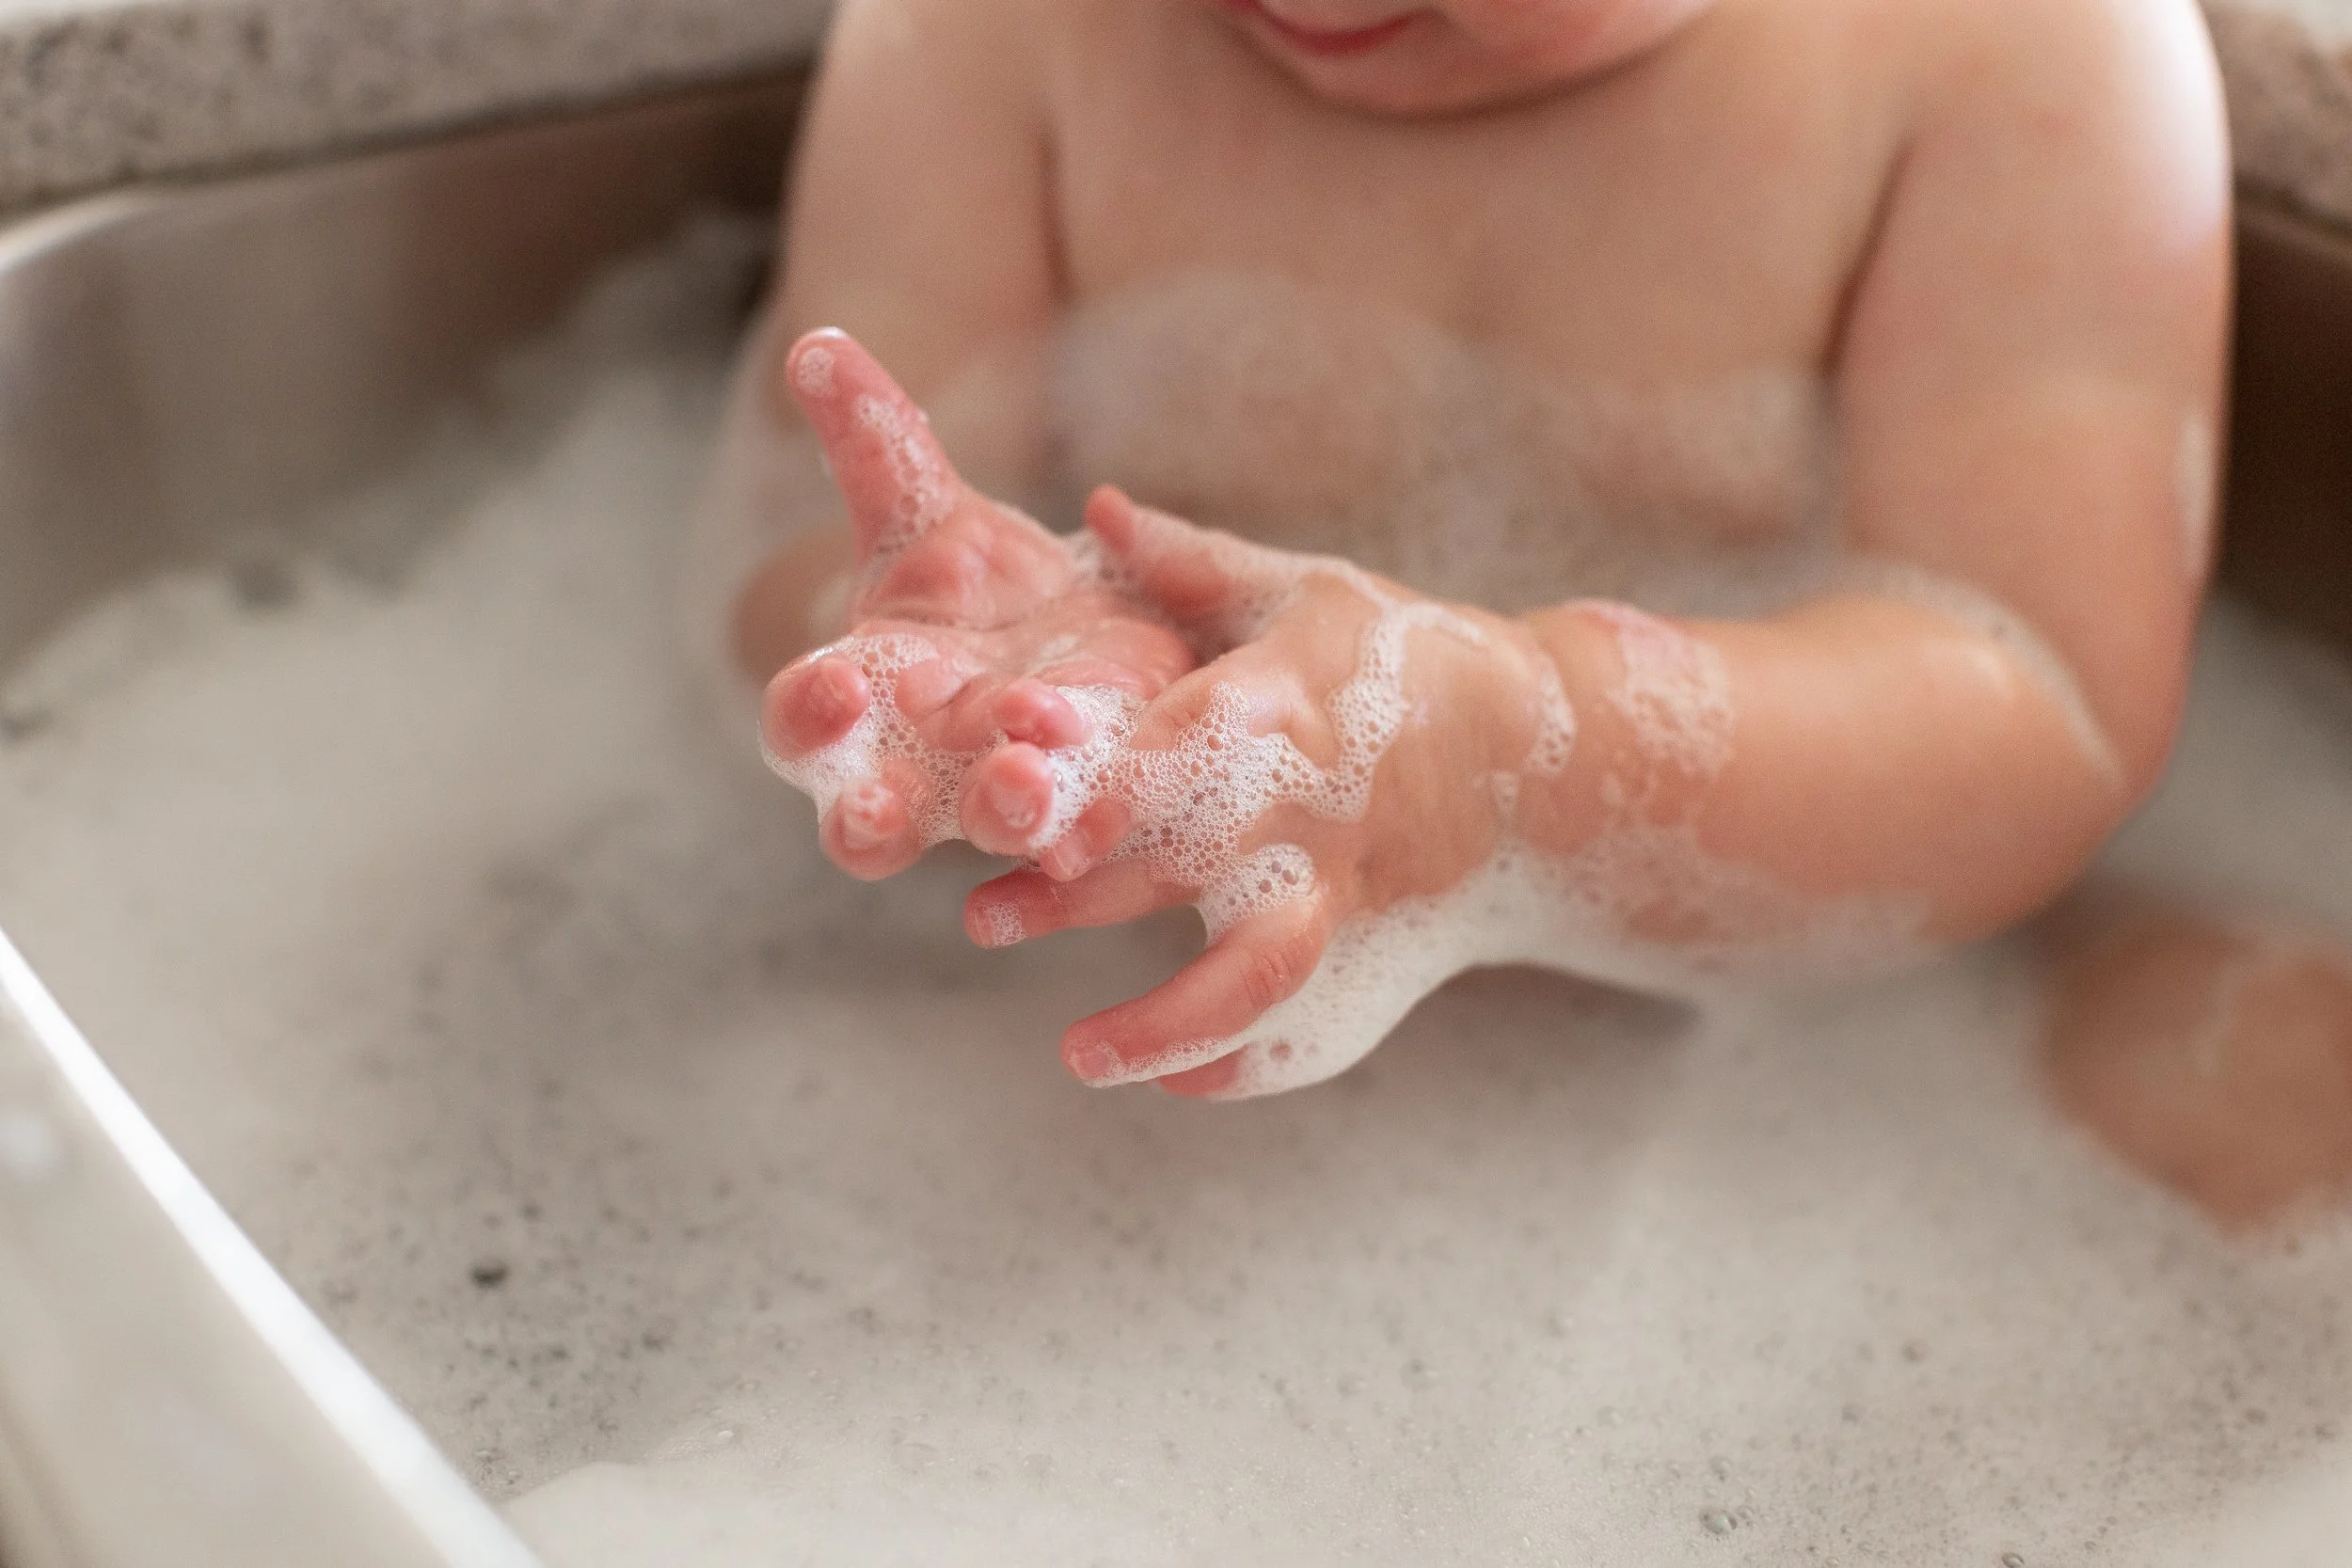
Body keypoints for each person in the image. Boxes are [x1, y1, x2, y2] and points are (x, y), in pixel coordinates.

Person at [709, 0, 2328, 1214]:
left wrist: (1519, 763)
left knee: (2271, 1104)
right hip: (1118, 1050)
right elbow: (817, 539)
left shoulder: (2012, 54)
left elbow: (2036, 698)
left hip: (1776, 1069)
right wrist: (948, 675)